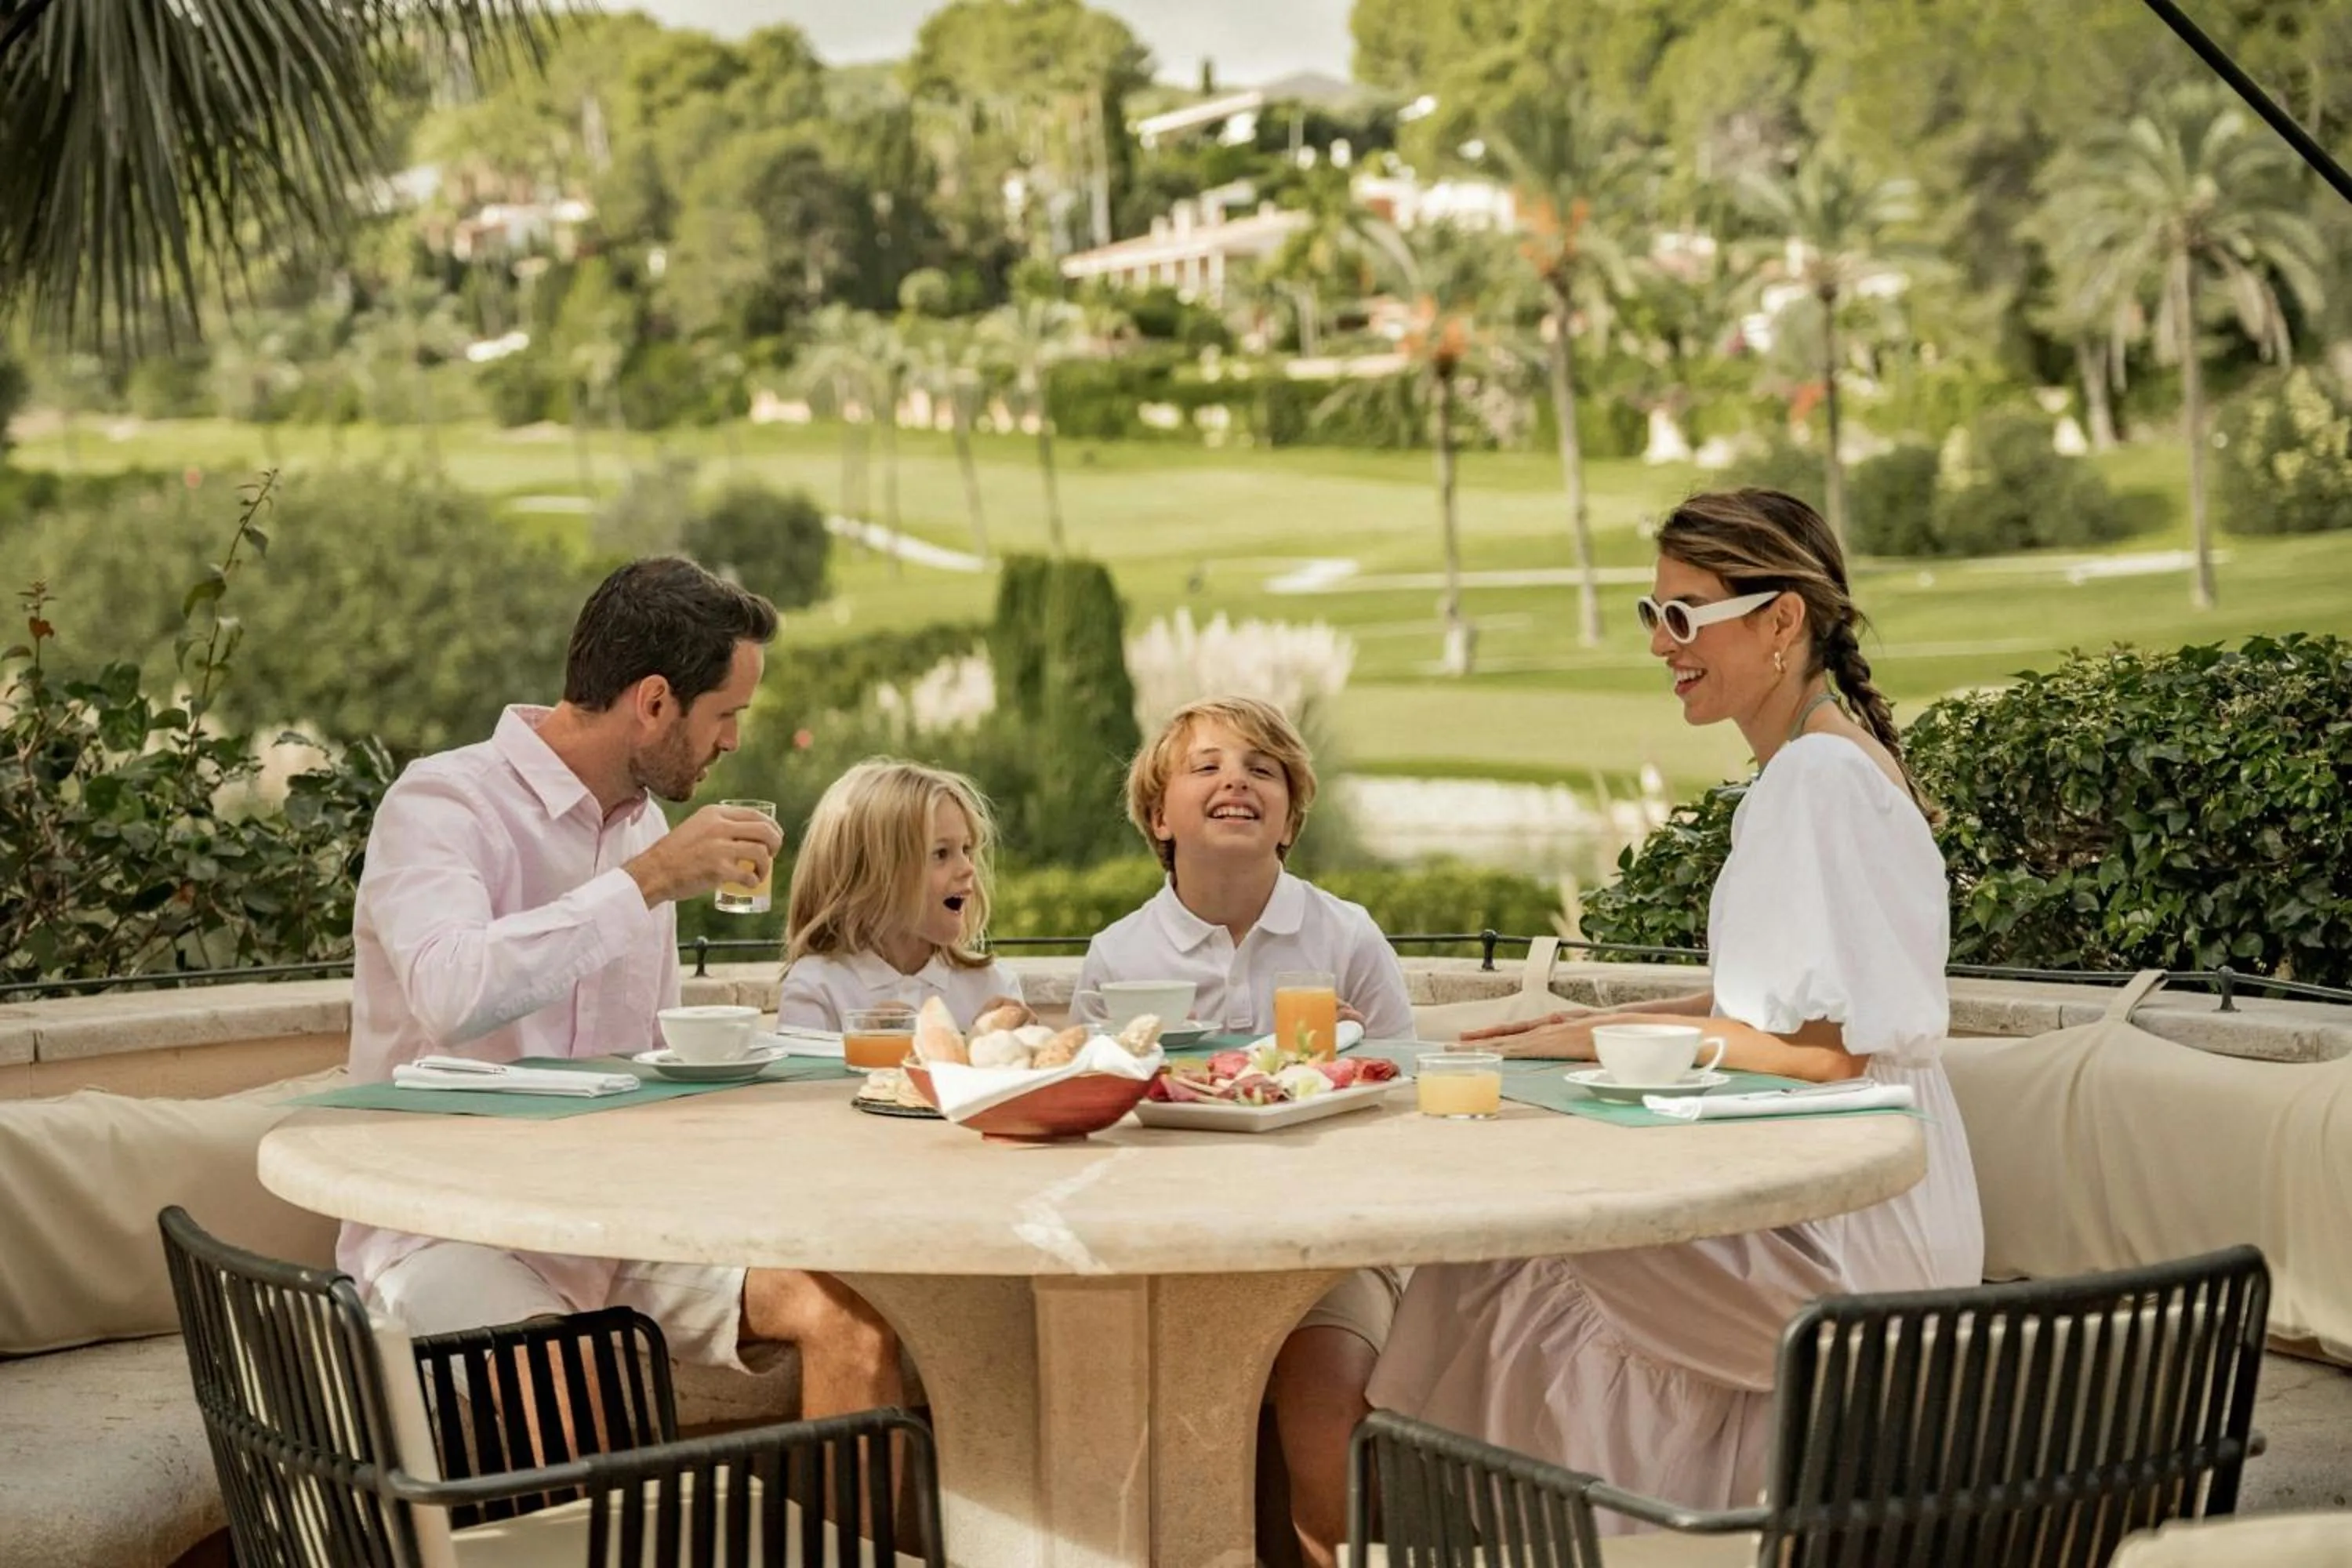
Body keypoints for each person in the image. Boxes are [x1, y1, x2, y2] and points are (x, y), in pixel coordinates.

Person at [1366, 489, 1984, 1530]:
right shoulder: (1825, 764)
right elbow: (1782, 998)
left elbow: (1822, 1056)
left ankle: (1482, 1522)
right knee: (1532, 1248)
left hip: (1852, 1216)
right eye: (1652, 615)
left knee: (1537, 1242)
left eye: (1685, 616)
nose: (1662, 645)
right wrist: (1575, 1028)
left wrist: (1580, 1038)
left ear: (1780, 620)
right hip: (1886, 1187)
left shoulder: (1815, 784)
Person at [342, 556, 901, 1420]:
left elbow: (645, 1060)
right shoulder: (444, 803)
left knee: (851, 1323)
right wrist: (645, 879)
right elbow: (449, 990)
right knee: (583, 1386)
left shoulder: (643, 829)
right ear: (652, 702)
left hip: (613, 1226)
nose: (734, 741)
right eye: (726, 714)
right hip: (452, 1231)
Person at [1079, 695, 1414, 1568]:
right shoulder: (1119, 955)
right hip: (1164, 1246)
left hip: (1329, 1246)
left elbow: (1407, 1097)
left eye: (1262, 768)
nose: (1237, 779)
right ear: (1160, 814)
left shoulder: (1346, 934)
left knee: (1326, 1402)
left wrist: (1350, 1062)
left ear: (1291, 815)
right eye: (1208, 765)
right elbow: (1087, 1114)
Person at [776, 759, 1025, 1030]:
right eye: (941, 853)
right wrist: (862, 1048)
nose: (967, 869)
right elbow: (808, 1074)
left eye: (966, 850)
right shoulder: (816, 986)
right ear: (873, 873)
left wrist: (992, 1052)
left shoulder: (993, 984)